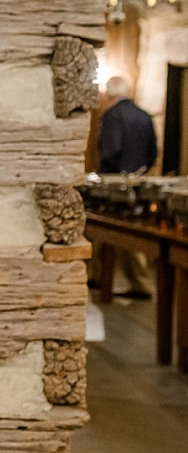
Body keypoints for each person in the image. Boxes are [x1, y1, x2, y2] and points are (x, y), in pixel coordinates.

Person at [92, 75, 158, 298]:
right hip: (138, 179)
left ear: (109, 94)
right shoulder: (144, 115)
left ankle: (99, 275)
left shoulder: (112, 115)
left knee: (104, 228)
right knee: (135, 230)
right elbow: (153, 153)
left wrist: (108, 173)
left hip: (115, 181)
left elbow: (111, 149)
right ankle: (138, 281)